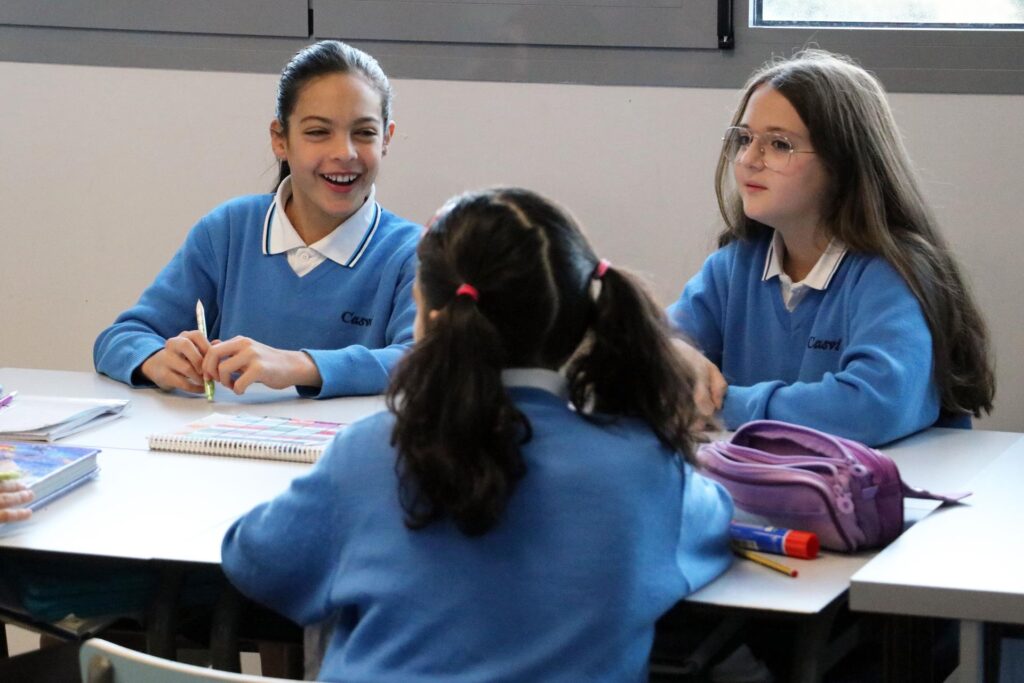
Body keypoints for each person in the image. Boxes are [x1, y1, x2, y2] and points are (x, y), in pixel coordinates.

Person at [221, 187, 734, 681]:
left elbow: (256, 560)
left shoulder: (370, 452)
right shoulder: (648, 470)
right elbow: (715, 522)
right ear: (586, 317)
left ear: (430, 319)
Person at [668, 49, 995, 446]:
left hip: (899, 497)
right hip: (787, 488)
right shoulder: (731, 269)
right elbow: (647, 349)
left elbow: (872, 408)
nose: (749, 159)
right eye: (745, 138)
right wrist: (671, 352)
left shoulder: (892, 273)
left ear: (842, 164)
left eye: (779, 144)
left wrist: (723, 405)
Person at [94, 40, 420, 398]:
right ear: (280, 140)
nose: (344, 152)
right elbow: (119, 339)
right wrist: (156, 359)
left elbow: (423, 362)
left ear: (386, 139)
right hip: (226, 448)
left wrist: (297, 366)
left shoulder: (414, 252)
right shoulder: (228, 231)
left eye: (364, 133)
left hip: (345, 451)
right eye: (317, 132)